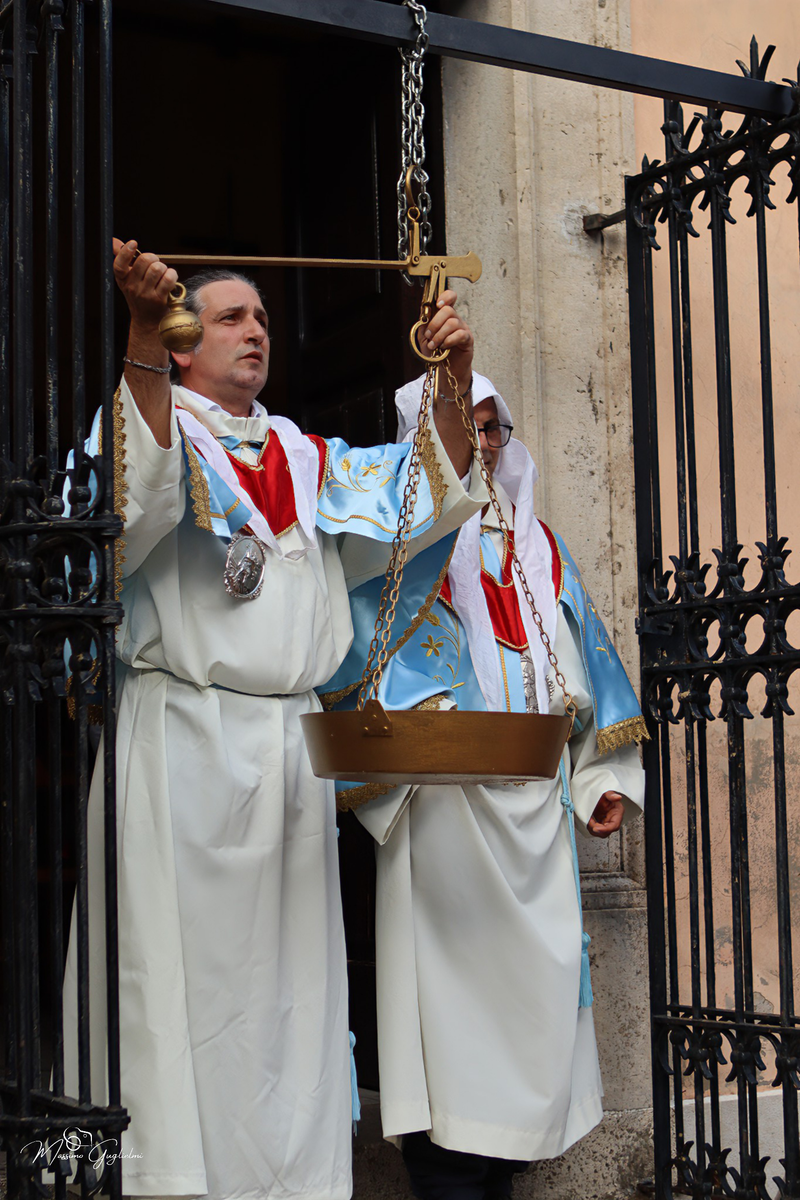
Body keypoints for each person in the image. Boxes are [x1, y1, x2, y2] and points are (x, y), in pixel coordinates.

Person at [61, 240, 487, 1200]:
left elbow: (417, 500)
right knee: (181, 993)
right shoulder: (148, 424)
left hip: (291, 754)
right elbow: (123, 516)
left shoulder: (304, 454)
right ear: (178, 342)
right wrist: (136, 332)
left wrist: (452, 377)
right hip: (183, 743)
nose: (254, 331)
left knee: (291, 1005)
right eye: (227, 318)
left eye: (260, 320)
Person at [320, 371, 647, 1200]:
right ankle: (446, 1176)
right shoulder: (390, 554)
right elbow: (353, 662)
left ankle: (501, 1170)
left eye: (497, 429)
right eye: (471, 430)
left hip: (535, 821)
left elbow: (588, 670)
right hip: (443, 821)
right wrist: (434, 724)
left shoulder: (542, 547)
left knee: (527, 1027)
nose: (489, 446)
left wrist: (598, 777)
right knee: (453, 1030)